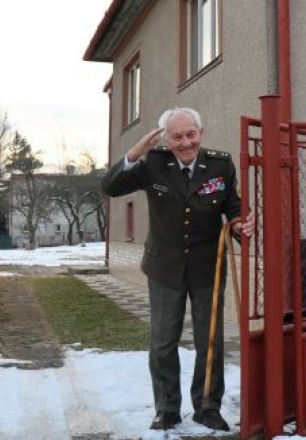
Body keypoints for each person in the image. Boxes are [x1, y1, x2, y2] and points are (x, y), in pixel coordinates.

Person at [101, 107, 254, 432]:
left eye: (191, 134)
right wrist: (135, 152)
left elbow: (234, 208)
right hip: (164, 267)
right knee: (163, 342)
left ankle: (208, 407)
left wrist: (241, 225)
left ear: (200, 133)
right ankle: (167, 408)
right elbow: (111, 186)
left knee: (210, 341)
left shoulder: (220, 164)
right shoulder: (153, 163)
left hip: (208, 267)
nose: (185, 143)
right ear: (166, 140)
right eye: (177, 137)